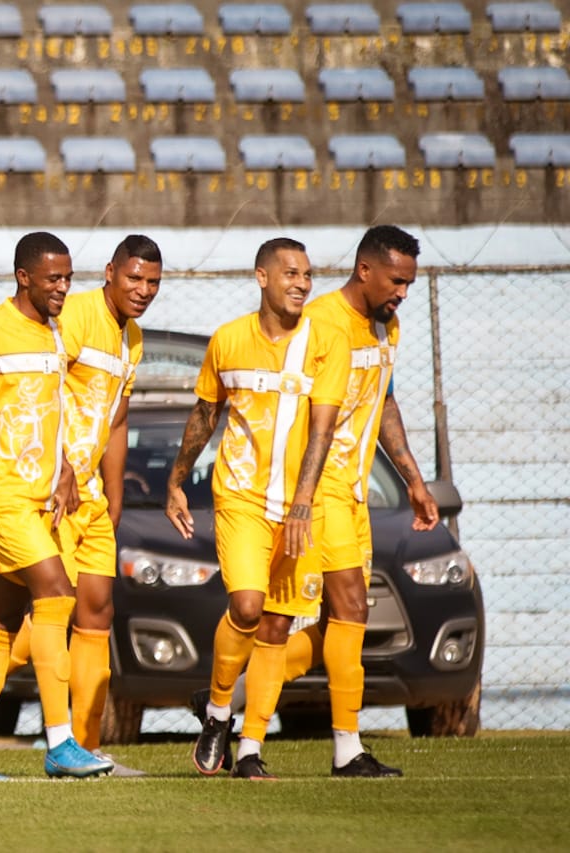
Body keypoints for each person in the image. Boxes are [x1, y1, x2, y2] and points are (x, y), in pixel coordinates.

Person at [0, 235, 163, 776]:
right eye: (134, 278)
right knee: (57, 596)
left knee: (12, 620)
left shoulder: (118, 338)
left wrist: (88, 481)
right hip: (3, 492)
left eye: (153, 282)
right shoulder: (50, 322)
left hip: (62, 491)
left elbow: (84, 413)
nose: (143, 290)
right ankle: (60, 743)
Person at [165, 237, 349, 780]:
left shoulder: (327, 342)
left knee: (276, 626)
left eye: (309, 274)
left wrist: (301, 505)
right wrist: (176, 481)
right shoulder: (227, 340)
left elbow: (322, 429)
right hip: (241, 498)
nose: (302, 283)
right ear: (262, 277)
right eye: (291, 272)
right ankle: (219, 710)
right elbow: (205, 414)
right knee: (247, 606)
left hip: (299, 508)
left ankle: (249, 748)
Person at [273, 225, 438, 776]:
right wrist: (295, 497)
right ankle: (348, 749)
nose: (403, 294)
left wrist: (413, 478)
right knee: (348, 610)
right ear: (365, 269)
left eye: (411, 284)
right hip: (315, 492)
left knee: (334, 622)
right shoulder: (319, 323)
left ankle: (230, 695)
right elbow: (290, 414)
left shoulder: (387, 326)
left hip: (352, 494)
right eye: (397, 281)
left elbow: (383, 402)